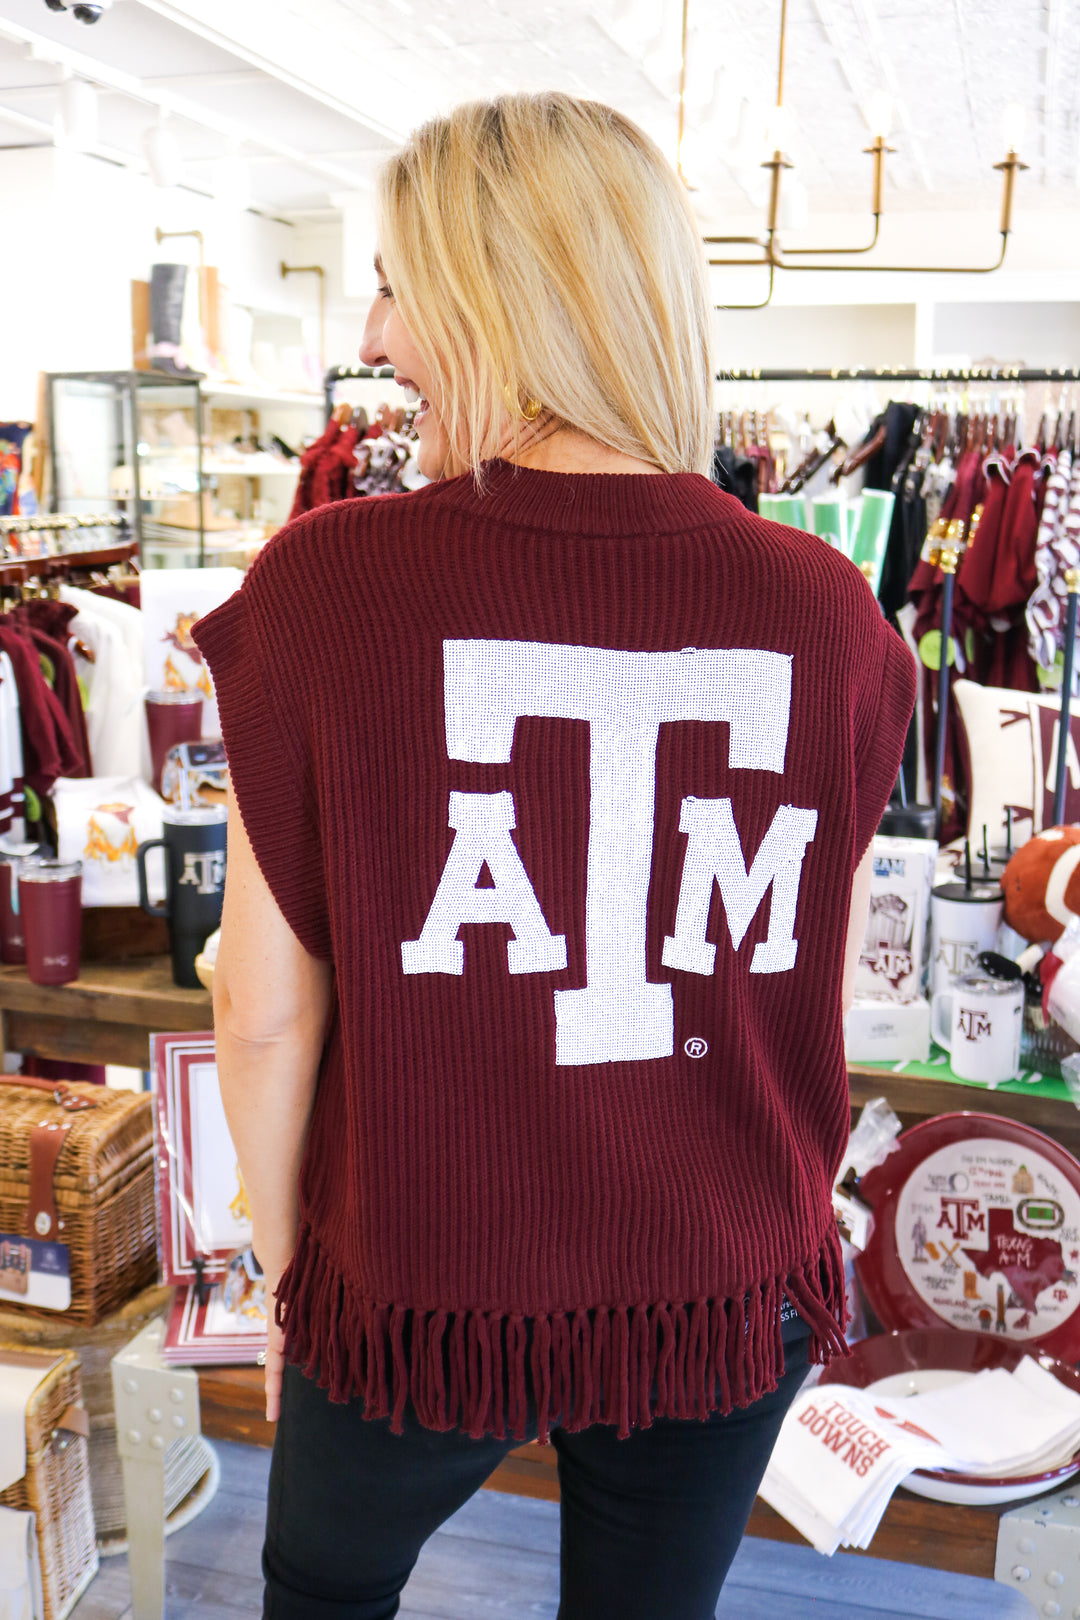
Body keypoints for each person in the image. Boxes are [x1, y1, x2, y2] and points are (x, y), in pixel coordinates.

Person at [194, 92, 916, 1620]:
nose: (377, 335)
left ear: (489, 296)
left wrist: (276, 1276)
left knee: (323, 1590)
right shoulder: (833, 614)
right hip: (720, 1275)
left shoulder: (332, 584)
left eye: (395, 283)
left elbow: (262, 1015)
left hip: (418, 1278)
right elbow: (816, 991)